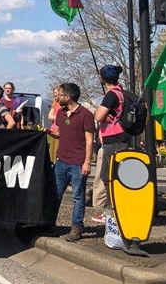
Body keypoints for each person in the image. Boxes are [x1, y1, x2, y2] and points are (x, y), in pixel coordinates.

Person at [47, 82, 94, 242]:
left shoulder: (85, 114)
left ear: (68, 96)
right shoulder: (60, 113)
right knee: (55, 194)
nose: (57, 97)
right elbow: (60, 132)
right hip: (61, 161)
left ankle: (76, 228)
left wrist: (87, 162)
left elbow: (89, 140)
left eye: (59, 95)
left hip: (78, 163)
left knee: (78, 197)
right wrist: (49, 132)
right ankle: (49, 224)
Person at [93, 65, 131, 218]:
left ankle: (111, 210)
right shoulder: (120, 92)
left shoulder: (111, 95)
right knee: (113, 174)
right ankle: (114, 209)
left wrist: (101, 112)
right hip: (119, 137)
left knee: (108, 175)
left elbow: (98, 116)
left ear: (103, 79)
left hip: (113, 139)